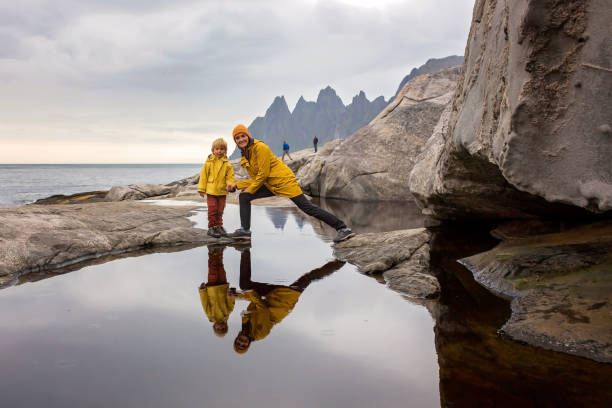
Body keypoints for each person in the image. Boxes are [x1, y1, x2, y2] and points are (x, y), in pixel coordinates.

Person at [226, 124, 355, 243]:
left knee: (308, 208)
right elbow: (257, 178)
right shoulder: (246, 153)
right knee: (244, 196)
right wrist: (237, 185)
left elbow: (263, 174)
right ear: (235, 141)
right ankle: (245, 231)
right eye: (237, 138)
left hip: (284, 181)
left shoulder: (260, 147)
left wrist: (250, 188)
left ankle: (342, 228)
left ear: (247, 135)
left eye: (243, 136)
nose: (241, 139)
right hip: (271, 184)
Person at [232, 248, 344, 354]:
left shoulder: (245, 325)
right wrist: (242, 295)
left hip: (273, 297)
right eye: (243, 345)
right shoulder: (259, 334)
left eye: (238, 343)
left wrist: (238, 295)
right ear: (248, 344)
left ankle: (245, 248)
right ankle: (342, 260)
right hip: (283, 301)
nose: (242, 342)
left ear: (236, 339)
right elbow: (262, 307)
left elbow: (256, 301)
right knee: (308, 278)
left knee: (245, 285)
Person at [197, 138, 235, 238]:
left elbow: (229, 177)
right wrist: (201, 189)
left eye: (222, 149)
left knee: (220, 209)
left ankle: (219, 226)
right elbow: (204, 176)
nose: (219, 151)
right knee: (212, 209)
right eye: (217, 149)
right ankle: (211, 227)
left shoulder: (227, 164)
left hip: (222, 191)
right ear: (213, 150)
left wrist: (230, 185)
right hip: (211, 191)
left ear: (225, 151)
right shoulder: (208, 163)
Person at [198, 245, 236, 337]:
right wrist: (231, 292)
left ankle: (211, 252)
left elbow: (204, 303)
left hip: (212, 288)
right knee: (220, 268)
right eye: (223, 328)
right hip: (223, 286)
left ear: (214, 326)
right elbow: (231, 302)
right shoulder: (227, 313)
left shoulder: (210, 316)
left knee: (213, 269)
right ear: (226, 326)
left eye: (218, 329)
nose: (220, 327)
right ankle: (219, 251)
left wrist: (202, 290)